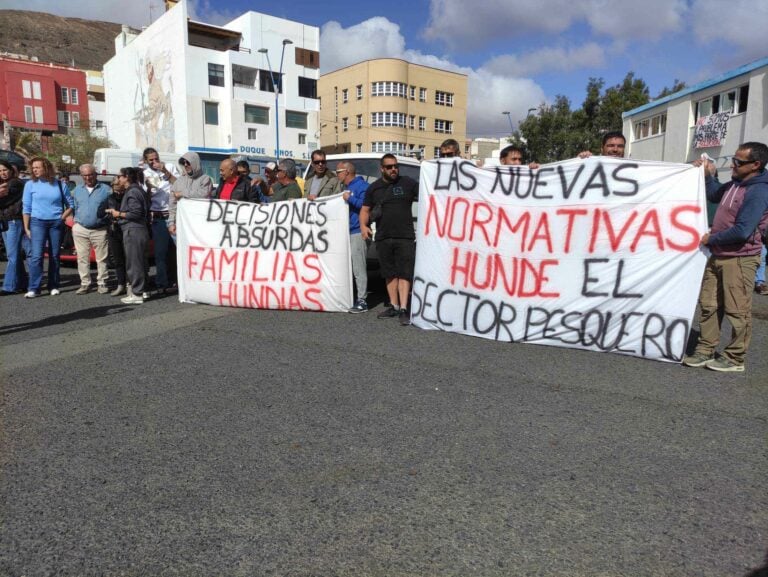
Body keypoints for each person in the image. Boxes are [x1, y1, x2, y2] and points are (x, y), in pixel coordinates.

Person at [683, 141, 768, 372]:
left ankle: (735, 357)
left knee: (737, 310)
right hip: (718, 255)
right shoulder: (734, 184)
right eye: (733, 160)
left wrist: (711, 239)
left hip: (739, 258)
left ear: (755, 165)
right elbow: (713, 195)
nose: (732, 165)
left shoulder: (759, 191)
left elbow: (742, 231)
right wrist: (708, 175)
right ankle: (705, 349)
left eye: (738, 162)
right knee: (709, 305)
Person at [360, 153, 419, 325]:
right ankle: (394, 305)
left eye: (395, 166)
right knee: (389, 273)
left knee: (404, 273)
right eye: (389, 167)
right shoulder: (374, 188)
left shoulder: (408, 183)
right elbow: (365, 210)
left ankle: (404, 308)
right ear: (382, 169)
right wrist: (363, 226)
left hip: (405, 236)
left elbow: (428, 194)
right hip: (383, 237)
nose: (393, 169)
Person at [22, 157, 74, 298]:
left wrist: (61, 218)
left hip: (55, 223)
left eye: (38, 167)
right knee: (36, 256)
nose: (35, 170)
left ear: (46, 168)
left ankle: (54, 285)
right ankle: (34, 288)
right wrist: (26, 227)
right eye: (33, 168)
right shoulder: (30, 185)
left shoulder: (60, 184)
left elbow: (71, 205)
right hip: (37, 222)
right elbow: (26, 208)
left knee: (55, 255)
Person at [107, 167, 149, 305]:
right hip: (138, 229)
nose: (118, 179)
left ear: (127, 177)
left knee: (134, 263)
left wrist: (117, 213)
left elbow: (136, 213)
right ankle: (142, 290)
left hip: (133, 230)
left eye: (119, 176)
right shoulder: (137, 190)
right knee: (140, 262)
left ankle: (137, 293)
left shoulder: (132, 192)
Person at [141, 147, 179, 292]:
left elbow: (179, 185)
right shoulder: (145, 174)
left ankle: (176, 280)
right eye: (151, 160)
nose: (155, 161)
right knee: (161, 252)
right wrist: (149, 189)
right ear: (146, 161)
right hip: (158, 215)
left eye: (156, 158)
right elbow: (144, 197)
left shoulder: (169, 166)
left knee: (175, 251)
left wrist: (165, 171)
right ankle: (162, 283)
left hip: (173, 213)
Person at [71, 163, 112, 294]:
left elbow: (112, 207)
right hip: (80, 228)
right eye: (85, 175)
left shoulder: (106, 190)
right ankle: (85, 283)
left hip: (100, 229)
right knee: (82, 258)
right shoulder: (77, 190)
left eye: (90, 175)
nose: (88, 178)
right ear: (81, 176)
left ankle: (102, 283)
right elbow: (74, 207)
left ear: (96, 174)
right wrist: (75, 223)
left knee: (102, 259)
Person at [337, 161, 369, 313]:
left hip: (357, 231)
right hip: (345, 232)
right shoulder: (345, 187)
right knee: (347, 267)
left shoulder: (363, 186)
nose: (337, 175)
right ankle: (351, 297)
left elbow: (366, 206)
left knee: (358, 267)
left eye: (338, 172)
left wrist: (349, 199)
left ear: (347, 172)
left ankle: (362, 300)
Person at [0, 160, 29, 294]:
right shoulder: (4, 184)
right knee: (14, 254)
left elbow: (5, 201)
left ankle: (9, 286)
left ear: (11, 170)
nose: (2, 173)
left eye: (5, 170)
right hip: (6, 221)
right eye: (0, 171)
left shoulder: (15, 183)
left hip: (14, 221)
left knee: (12, 255)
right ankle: (22, 283)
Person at [168, 152, 214, 238]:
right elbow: (172, 204)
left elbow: (203, 194)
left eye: (188, 162)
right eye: (183, 163)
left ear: (195, 162)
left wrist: (182, 193)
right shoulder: (179, 181)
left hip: (200, 225)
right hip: (182, 224)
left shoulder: (205, 179)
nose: (185, 165)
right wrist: (171, 222)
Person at [104, 176, 127, 296]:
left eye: (120, 188)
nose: (118, 191)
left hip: (126, 229)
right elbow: (99, 212)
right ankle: (121, 284)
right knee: (118, 260)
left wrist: (119, 214)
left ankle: (131, 284)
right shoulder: (109, 198)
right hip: (113, 230)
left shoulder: (127, 197)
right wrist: (107, 212)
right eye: (116, 188)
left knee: (129, 259)